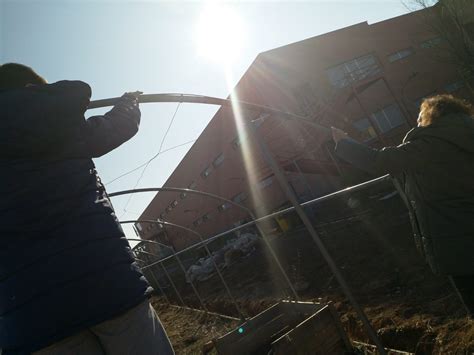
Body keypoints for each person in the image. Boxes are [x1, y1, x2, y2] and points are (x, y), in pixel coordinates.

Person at [0, 63, 174, 354]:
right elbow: (120, 124)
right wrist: (129, 100)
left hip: (32, 314)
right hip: (107, 281)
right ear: (32, 90)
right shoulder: (60, 126)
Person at [331, 94, 474, 317]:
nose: (417, 122)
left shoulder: (432, 143)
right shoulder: (466, 132)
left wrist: (343, 142)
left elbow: (380, 161)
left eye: (419, 117)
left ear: (431, 116)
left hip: (459, 239)